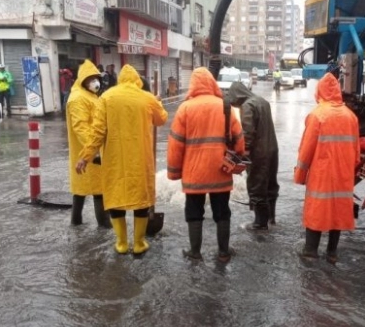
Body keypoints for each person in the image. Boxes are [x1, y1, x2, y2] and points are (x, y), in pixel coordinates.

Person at [76, 65, 168, 255]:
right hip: (140, 160)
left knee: (116, 198)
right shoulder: (146, 98)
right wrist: (157, 103)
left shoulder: (106, 98)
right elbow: (162, 119)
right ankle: (139, 243)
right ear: (137, 80)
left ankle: (122, 243)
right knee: (141, 200)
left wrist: (85, 157)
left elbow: (97, 132)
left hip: (114, 160)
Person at [167, 67, 245, 263]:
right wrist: (238, 159)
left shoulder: (185, 108)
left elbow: (176, 144)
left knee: (194, 212)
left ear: (193, 85)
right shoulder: (225, 106)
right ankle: (223, 252)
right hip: (221, 171)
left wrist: (174, 173)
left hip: (195, 174)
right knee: (222, 211)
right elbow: (239, 140)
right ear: (212, 83)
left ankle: (195, 252)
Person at [293, 72, 360, 264]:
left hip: (321, 174)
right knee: (338, 210)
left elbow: (306, 150)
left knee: (317, 208)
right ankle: (332, 252)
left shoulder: (317, 115)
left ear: (319, 91)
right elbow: (356, 151)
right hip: (343, 174)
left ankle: (310, 251)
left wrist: (300, 175)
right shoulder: (351, 117)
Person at [224, 81, 279, 230]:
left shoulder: (247, 106)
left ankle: (260, 223)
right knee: (270, 184)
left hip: (259, 153)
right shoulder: (263, 102)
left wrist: (243, 153)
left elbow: (247, 132)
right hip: (272, 149)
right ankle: (271, 218)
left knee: (256, 186)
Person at [66, 59, 110, 229]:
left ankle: (75, 224)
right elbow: (81, 127)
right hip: (89, 152)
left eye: (96, 77)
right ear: (83, 79)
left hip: (87, 151)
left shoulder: (87, 95)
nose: (95, 82)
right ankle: (104, 227)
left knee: (81, 190)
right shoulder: (78, 98)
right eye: (90, 78)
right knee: (98, 191)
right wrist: (92, 152)